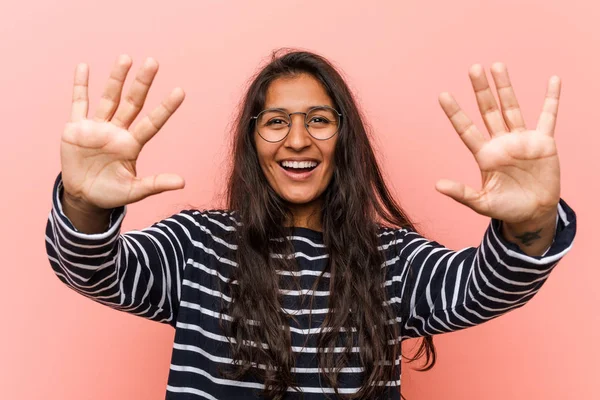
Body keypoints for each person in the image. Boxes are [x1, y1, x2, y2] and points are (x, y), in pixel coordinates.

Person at [45, 50, 576, 400]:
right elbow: (93, 270)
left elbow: (485, 288)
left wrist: (531, 221)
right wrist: (83, 203)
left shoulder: (393, 260)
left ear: (345, 137)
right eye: (276, 121)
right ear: (251, 142)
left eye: (318, 120)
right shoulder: (197, 246)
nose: (297, 140)